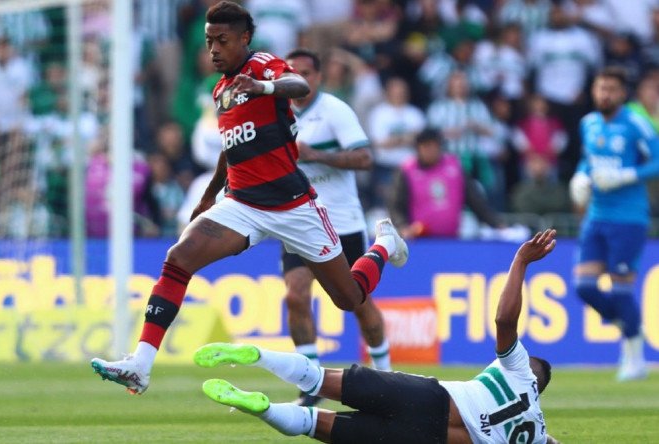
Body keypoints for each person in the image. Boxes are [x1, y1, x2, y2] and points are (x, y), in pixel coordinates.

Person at [90, 1, 408, 395]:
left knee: (349, 298)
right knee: (177, 259)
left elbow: (300, 86)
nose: (213, 50)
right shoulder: (223, 90)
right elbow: (230, 148)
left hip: (293, 205)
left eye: (222, 41)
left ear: (244, 38)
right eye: (209, 42)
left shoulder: (261, 66)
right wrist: (209, 197)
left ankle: (383, 245)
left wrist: (262, 86)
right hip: (242, 204)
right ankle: (141, 362)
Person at [195, 230, 560, 444]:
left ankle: (257, 354)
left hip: (430, 397)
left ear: (533, 373)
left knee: (322, 380)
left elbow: (504, 319)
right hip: (423, 440)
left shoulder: (519, 374)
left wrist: (521, 262)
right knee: (313, 425)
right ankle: (262, 409)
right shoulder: (537, 434)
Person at [279, 48, 392, 407]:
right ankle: (313, 384)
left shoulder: (335, 111)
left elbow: (364, 158)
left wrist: (318, 155)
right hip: (298, 221)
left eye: (308, 73)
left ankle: (387, 375)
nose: (301, 79)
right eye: (293, 73)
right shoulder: (276, 114)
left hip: (341, 223)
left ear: (319, 77)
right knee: (295, 295)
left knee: (357, 302)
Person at [569, 67, 659, 382]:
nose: (604, 94)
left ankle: (635, 360)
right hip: (596, 217)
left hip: (629, 218)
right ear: (594, 91)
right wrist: (581, 175)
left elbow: (657, 160)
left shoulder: (636, 124)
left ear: (622, 94)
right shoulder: (588, 124)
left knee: (621, 290)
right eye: (600, 88)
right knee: (584, 287)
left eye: (611, 89)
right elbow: (587, 158)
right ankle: (630, 325)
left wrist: (626, 175)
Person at [388, 128, 503, 240]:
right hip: (419, 241)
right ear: (418, 148)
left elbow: (475, 200)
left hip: (451, 241)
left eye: (434, 146)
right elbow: (396, 204)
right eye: (426, 146)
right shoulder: (407, 170)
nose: (430, 151)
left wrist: (496, 224)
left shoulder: (454, 166)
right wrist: (403, 227)